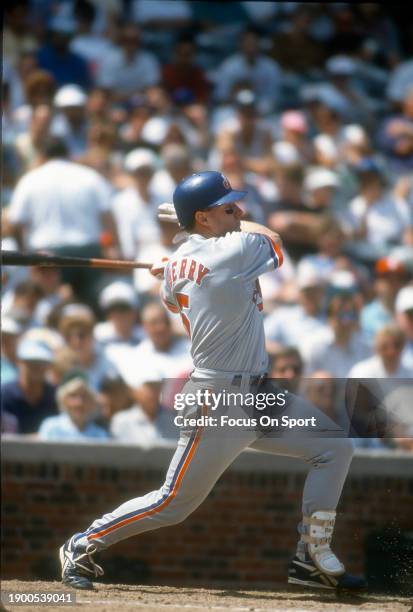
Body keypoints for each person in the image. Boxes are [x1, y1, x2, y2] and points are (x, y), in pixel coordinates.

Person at [60, 170, 365, 591]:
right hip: (218, 398)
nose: (238, 212)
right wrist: (186, 249)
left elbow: (176, 295)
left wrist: (176, 259)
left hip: (257, 392)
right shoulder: (234, 250)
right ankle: (83, 542)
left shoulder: (182, 265)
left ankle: (310, 558)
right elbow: (272, 236)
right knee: (174, 503)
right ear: (203, 218)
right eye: (227, 207)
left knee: (334, 448)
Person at [1, 338, 57, 434]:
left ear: (48, 366)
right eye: (31, 362)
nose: (36, 367)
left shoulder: (55, 396)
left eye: (41, 363)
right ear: (19, 363)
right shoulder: (4, 394)